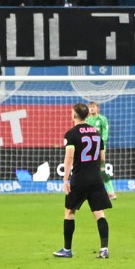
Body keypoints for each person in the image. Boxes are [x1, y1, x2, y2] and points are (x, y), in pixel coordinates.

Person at [53, 103, 111, 260]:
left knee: (69, 211)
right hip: (96, 178)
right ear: (86, 115)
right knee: (99, 213)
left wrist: (65, 179)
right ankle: (104, 248)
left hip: (79, 178)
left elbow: (69, 157)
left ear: (74, 115)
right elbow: (103, 158)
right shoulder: (97, 133)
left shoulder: (71, 134)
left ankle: (67, 249)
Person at [85, 100, 115, 201]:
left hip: (99, 148)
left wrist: (101, 146)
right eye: (90, 107)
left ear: (97, 108)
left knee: (101, 171)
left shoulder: (102, 119)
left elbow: (105, 134)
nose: (92, 108)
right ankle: (95, 193)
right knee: (90, 171)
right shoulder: (87, 120)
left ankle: (111, 192)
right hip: (88, 149)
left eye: (93, 106)